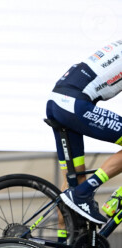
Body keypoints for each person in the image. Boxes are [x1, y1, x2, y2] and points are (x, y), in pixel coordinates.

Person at [46, 40, 122, 224]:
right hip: (73, 104)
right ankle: (85, 192)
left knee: (74, 181)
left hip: (58, 103)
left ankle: (64, 247)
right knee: (79, 190)